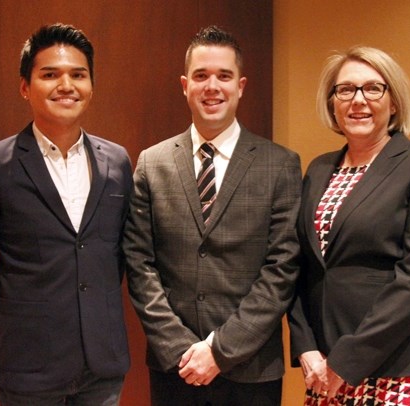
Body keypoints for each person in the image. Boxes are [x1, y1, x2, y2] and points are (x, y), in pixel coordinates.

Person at [123, 25, 302, 405]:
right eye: (201, 76)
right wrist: (181, 349)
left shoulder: (280, 164)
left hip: (251, 369)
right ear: (185, 85)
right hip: (176, 367)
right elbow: (139, 265)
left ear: (241, 85)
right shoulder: (152, 164)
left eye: (224, 76)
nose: (212, 86)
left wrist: (221, 350)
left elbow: (282, 267)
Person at [0, 23, 131, 405]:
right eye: (50, 74)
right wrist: (13, 335)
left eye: (78, 75)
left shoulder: (117, 162)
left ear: (91, 86)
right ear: (25, 87)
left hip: (102, 369)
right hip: (28, 371)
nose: (65, 85)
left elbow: (112, 258)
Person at [287, 46, 410, 405]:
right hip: (327, 364)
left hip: (406, 363)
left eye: (373, 88)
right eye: (346, 90)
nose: (358, 100)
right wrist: (305, 346)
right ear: (332, 103)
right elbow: (302, 266)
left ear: (394, 102)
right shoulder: (319, 169)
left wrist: (348, 359)